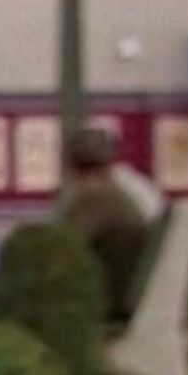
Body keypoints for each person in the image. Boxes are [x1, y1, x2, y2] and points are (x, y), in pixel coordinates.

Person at [58, 126, 151, 327]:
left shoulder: (94, 198)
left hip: (109, 304)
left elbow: (62, 247)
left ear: (72, 165)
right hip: (129, 294)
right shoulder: (125, 193)